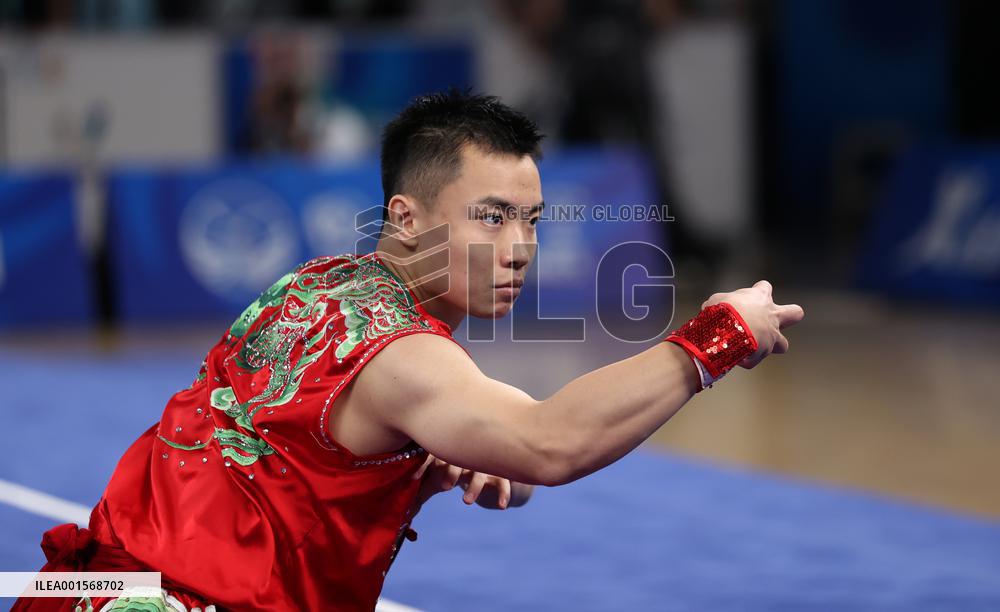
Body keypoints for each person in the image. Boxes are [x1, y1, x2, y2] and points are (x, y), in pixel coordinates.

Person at [13, 89, 803, 611]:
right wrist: (717, 336)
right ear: (409, 216)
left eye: (532, 219)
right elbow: (550, 441)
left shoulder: (314, 284)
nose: (521, 246)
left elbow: (292, 453)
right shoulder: (406, 357)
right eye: (492, 217)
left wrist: (426, 464)